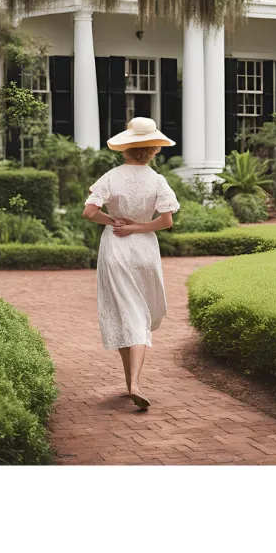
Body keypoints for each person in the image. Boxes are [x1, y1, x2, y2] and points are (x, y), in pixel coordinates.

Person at [81, 117, 181, 409]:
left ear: (126, 147)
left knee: (126, 312)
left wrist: (114, 220)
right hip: (144, 250)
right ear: (153, 149)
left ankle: (133, 382)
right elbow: (166, 221)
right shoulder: (157, 180)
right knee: (136, 314)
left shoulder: (111, 176)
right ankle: (133, 383)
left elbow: (89, 213)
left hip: (115, 246)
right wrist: (137, 227)